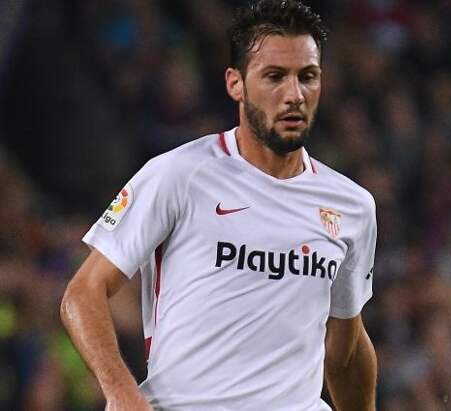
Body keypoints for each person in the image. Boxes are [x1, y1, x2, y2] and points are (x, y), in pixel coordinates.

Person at [60, 1, 378, 410]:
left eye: (308, 76)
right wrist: (121, 392)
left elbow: (346, 349)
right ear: (235, 84)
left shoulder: (352, 207)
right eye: (274, 76)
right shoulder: (179, 175)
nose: (294, 95)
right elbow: (83, 293)